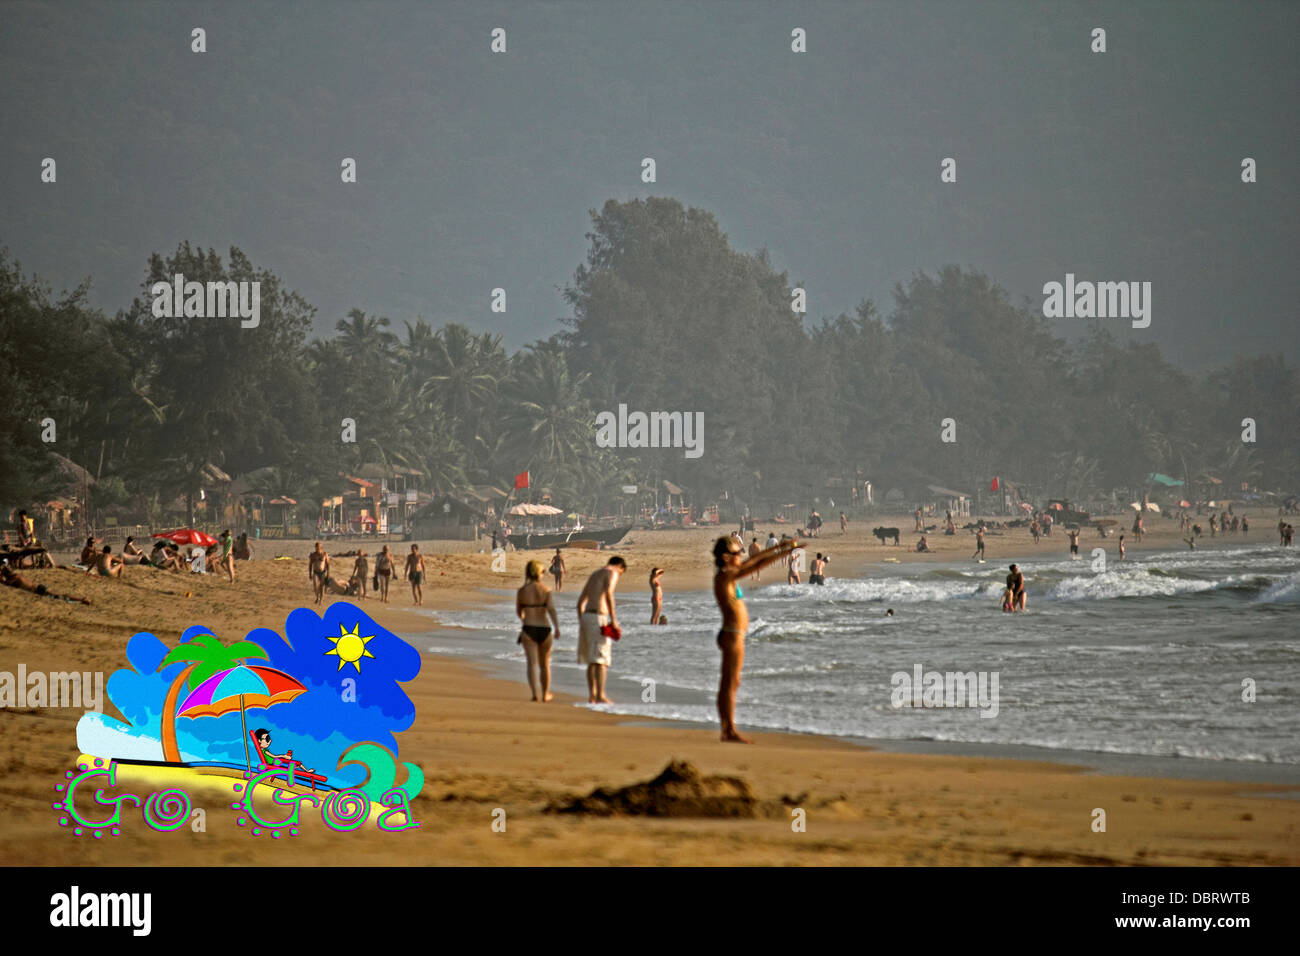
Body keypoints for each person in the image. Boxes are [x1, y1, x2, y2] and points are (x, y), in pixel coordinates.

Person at [712, 535, 799, 743]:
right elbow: (752, 567)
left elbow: (751, 562)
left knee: (733, 682)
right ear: (725, 557)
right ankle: (728, 730)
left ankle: (728, 728)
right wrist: (782, 553)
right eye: (736, 553)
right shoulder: (724, 575)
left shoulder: (729, 574)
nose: (740, 556)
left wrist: (779, 548)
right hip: (732, 634)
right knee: (729, 683)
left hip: (735, 634)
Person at [575, 556, 626, 704]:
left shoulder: (595, 574)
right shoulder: (612, 572)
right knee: (602, 659)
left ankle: (592, 695)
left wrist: (582, 622)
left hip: (586, 617)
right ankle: (601, 695)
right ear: (620, 567)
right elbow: (609, 594)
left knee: (592, 659)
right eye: (621, 573)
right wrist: (614, 620)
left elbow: (580, 603)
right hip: (599, 617)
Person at [516, 560, 561, 702]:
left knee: (531, 663)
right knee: (545, 665)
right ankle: (545, 694)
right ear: (539, 573)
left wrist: (525, 620)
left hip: (529, 628)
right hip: (545, 629)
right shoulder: (546, 590)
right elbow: (551, 610)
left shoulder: (522, 591)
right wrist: (557, 627)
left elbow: (519, 612)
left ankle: (535, 693)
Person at [2, 564, 90, 604]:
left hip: (38, 590)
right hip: (38, 587)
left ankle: (82, 599)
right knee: (59, 595)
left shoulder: (15, 578)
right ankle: (81, 599)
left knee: (60, 595)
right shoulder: (17, 575)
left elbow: (6, 584)